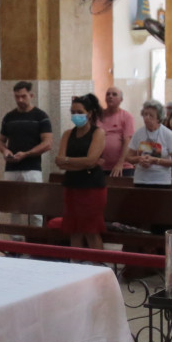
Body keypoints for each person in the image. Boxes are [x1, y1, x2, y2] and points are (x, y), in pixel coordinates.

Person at [54, 93, 108, 249]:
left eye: (79, 112)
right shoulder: (67, 134)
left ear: (89, 114)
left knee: (91, 230)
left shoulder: (98, 133)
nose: (75, 115)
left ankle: (98, 267)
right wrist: (83, 163)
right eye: (73, 112)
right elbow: (60, 161)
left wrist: (69, 161)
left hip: (92, 188)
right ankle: (76, 265)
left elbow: (91, 160)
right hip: (71, 186)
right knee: (74, 230)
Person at [0, 81, 51, 224]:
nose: (20, 100)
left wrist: (27, 154)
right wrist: (5, 150)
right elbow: (0, 141)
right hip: (12, 168)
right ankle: (16, 242)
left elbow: (47, 143)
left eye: (23, 96)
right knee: (13, 208)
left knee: (35, 208)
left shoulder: (40, 116)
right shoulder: (9, 117)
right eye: (17, 97)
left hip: (32, 168)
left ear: (31, 95)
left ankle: (35, 241)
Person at [125, 100, 172, 185]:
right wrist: (140, 159)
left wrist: (155, 160)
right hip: (141, 180)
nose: (147, 117)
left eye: (151, 115)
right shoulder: (138, 133)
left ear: (158, 118)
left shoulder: (168, 134)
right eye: (145, 114)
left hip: (161, 181)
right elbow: (128, 157)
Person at [99, 86, 135, 178]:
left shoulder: (126, 117)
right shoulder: (98, 116)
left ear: (121, 99)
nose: (110, 96)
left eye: (114, 94)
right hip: (101, 167)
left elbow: (128, 141)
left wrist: (120, 163)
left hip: (123, 167)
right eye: (108, 94)